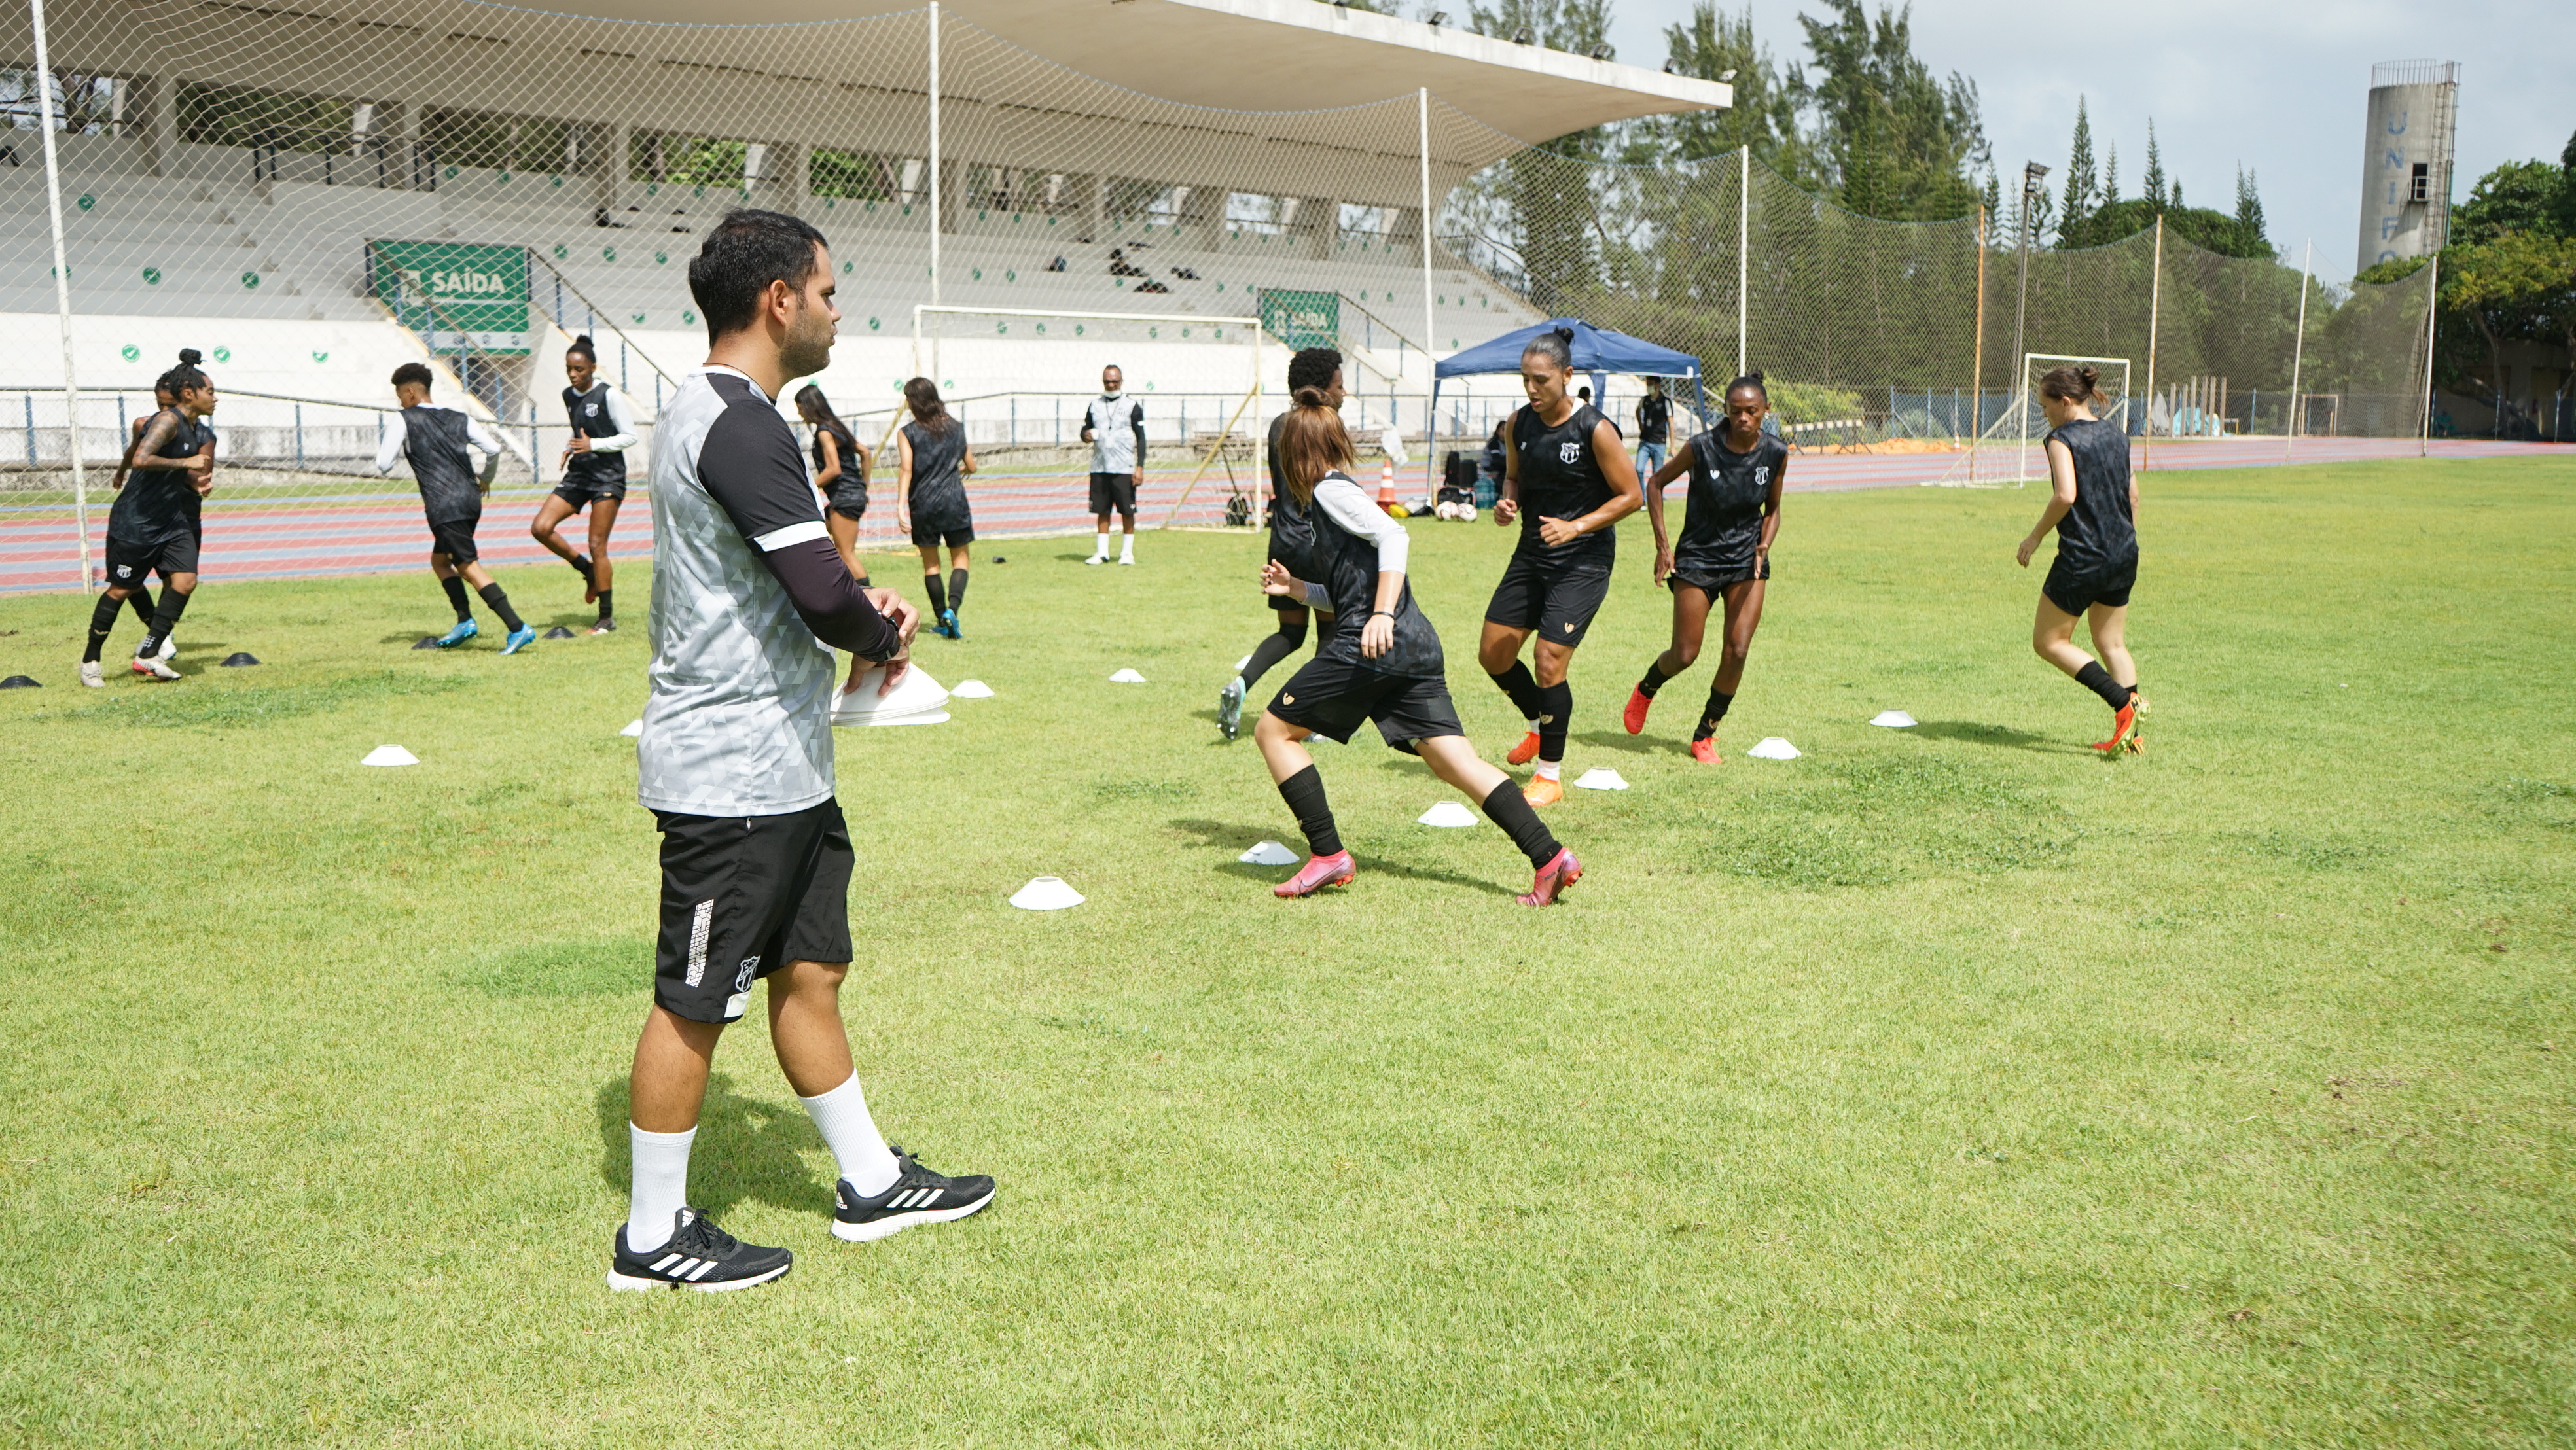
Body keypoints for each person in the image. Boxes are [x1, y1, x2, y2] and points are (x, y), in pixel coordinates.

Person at [613, 207, 990, 1294]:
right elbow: (820, 591)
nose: (836, 310)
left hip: (784, 765)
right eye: (827, 291)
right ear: (780, 299)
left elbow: (799, 581)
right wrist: (884, 625)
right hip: (728, 773)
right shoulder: (732, 421)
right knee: (695, 997)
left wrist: (852, 605)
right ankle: (651, 1237)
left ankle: (869, 1180)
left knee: (812, 967)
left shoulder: (743, 415)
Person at [1252, 387, 1583, 906]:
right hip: (1413, 645)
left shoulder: (1327, 493)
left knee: (1273, 731)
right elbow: (1346, 593)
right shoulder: (1332, 495)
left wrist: (1380, 613)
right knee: (1456, 762)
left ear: (1295, 453)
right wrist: (1296, 590)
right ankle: (1550, 856)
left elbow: (1395, 537)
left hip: (1374, 642)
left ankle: (1328, 855)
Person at [1478, 328, 1642, 805]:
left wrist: (1577, 527)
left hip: (1583, 560)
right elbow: (1512, 477)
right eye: (1526, 379)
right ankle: (1536, 726)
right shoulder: (1517, 424)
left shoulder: (1595, 428)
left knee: (1548, 660)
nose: (1532, 389)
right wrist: (1507, 505)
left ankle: (1549, 776)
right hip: (1532, 553)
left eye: (1542, 380)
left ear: (1567, 376)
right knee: (1494, 655)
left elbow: (1631, 496)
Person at [1624, 374, 1787, 762]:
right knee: (1684, 654)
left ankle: (1705, 734)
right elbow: (1655, 484)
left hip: (1747, 561)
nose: (1743, 418)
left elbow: (1774, 510)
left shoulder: (1776, 453)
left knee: (1738, 648)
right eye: (1735, 411)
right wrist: (1664, 547)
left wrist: (1765, 543)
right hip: (1698, 558)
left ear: (1765, 411)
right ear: (1726, 411)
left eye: (1751, 411)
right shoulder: (1702, 447)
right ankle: (1647, 687)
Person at [1215, 345, 1344, 740]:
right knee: (1331, 633)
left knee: (1290, 633)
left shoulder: (1277, 425)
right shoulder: (1323, 425)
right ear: (1320, 389)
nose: (1344, 394)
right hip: (1318, 543)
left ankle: (1240, 685)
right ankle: (1318, 719)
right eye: (1339, 386)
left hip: (1283, 541)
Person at [2017, 363, 2144, 754]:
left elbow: (2066, 495)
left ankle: (2123, 703)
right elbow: (2134, 496)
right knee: (2112, 643)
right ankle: (2132, 735)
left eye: (2045, 406)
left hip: (2084, 557)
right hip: (2124, 552)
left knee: (2048, 641)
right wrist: (2123, 540)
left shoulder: (2062, 439)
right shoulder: (2117, 435)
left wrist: (2034, 536)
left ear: (2066, 401)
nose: (2044, 414)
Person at [375, 362, 533, 654]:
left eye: (400, 395)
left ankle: (517, 627)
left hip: (443, 504)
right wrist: (486, 479)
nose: (401, 402)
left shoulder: (405, 419)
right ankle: (464, 621)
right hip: (470, 500)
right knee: (440, 561)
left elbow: (383, 464)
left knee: (468, 566)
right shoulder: (460, 417)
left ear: (410, 392)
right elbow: (494, 449)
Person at [82, 353, 215, 686]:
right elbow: (141, 458)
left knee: (185, 581)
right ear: (190, 393)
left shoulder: (193, 428)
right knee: (122, 588)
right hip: (137, 520)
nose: (215, 398)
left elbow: (180, 468)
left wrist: (196, 480)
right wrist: (186, 465)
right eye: (210, 391)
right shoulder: (167, 421)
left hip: (172, 520)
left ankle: (149, 654)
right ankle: (91, 662)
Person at [528, 336, 635, 634]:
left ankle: (605, 619)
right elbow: (581, 432)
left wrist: (594, 445)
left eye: (579, 369)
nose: (574, 375)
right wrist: (571, 446)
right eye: (569, 369)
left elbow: (630, 436)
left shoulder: (609, 395)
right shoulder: (569, 395)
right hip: (579, 473)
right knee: (541, 528)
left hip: (608, 476)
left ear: (592, 368)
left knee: (597, 544)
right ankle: (585, 569)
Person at [893, 377, 975, 640]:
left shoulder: (907, 432)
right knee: (960, 559)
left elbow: (906, 468)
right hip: (954, 502)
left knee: (932, 566)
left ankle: (941, 618)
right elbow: (972, 466)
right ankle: (953, 610)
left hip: (923, 504)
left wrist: (900, 507)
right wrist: (958, 469)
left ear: (913, 402)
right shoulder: (957, 427)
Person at [795, 384, 873, 589]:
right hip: (849, 494)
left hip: (845, 496)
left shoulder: (824, 431)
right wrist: (863, 486)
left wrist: (807, 487)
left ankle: (872, 602)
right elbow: (865, 453)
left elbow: (833, 469)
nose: (799, 413)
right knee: (821, 531)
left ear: (810, 406)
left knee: (845, 552)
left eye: (800, 408)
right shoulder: (836, 426)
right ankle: (840, 589)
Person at [1081, 364, 1144, 565]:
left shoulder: (1132, 406)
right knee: (1102, 510)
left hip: (1124, 467)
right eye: (1107, 381)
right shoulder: (1094, 405)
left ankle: (1127, 553)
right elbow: (1085, 430)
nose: (1111, 384)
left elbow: (1141, 438)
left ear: (1121, 381)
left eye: (1114, 381)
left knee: (1127, 511)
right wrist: (1086, 435)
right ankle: (1102, 553)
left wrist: (1139, 467)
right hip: (1100, 466)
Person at [1633, 376, 1672, 486]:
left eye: (1651, 384)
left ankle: (1656, 497)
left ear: (1658, 385)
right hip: (1645, 441)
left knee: (1657, 474)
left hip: (1659, 442)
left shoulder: (1665, 402)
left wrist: (1672, 445)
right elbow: (1638, 410)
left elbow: (1671, 423)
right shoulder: (1645, 400)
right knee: (1639, 469)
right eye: (1648, 384)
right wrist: (1641, 425)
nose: (1649, 386)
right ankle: (1642, 498)